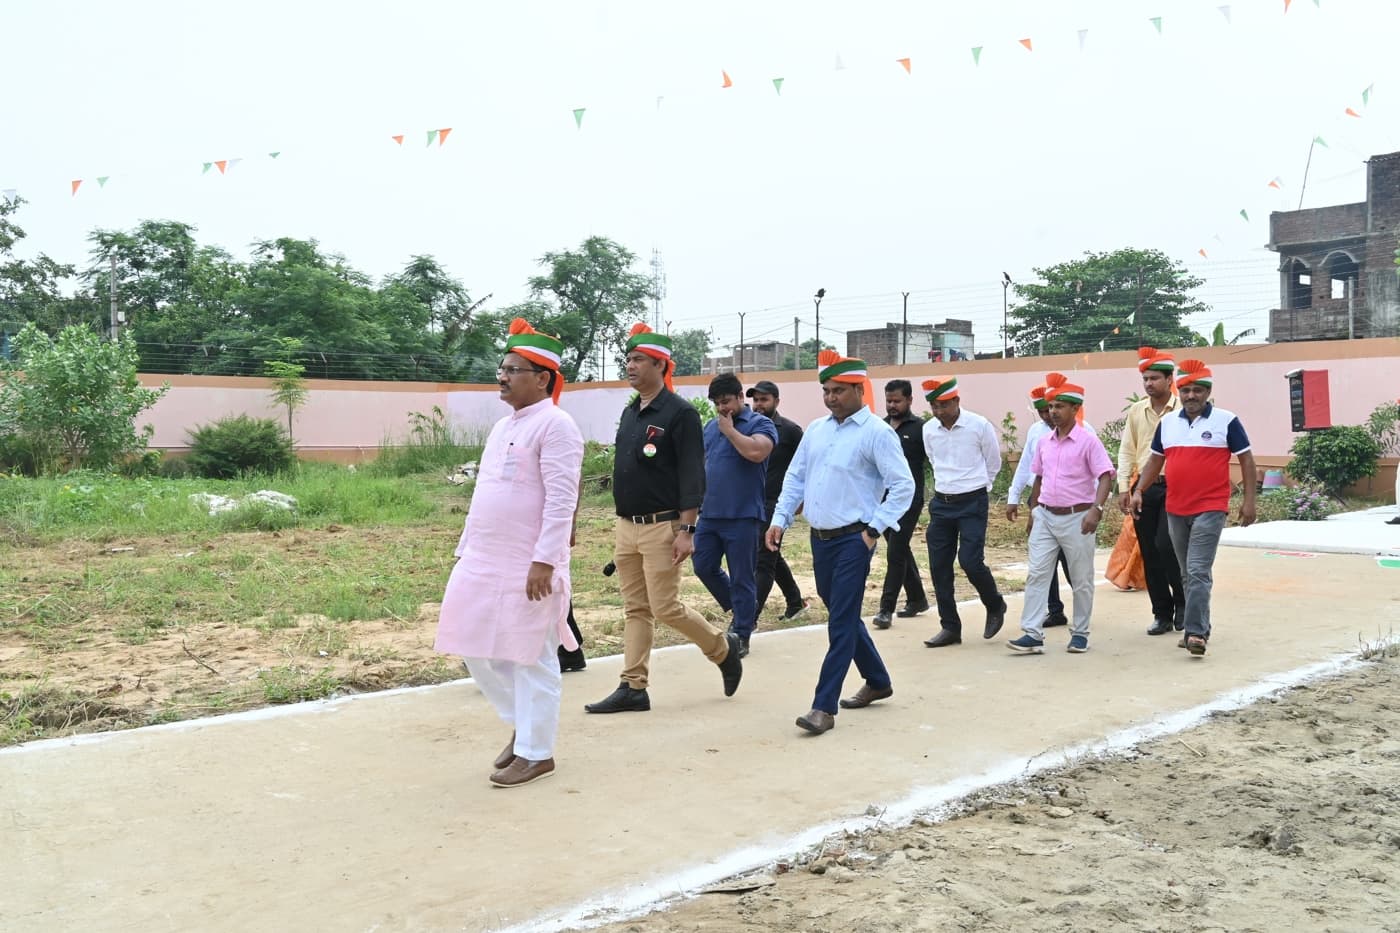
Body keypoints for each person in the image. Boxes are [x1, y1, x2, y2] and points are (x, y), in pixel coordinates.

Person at [436, 318, 584, 788]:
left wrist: (546, 559)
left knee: (530, 655)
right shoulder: (503, 426)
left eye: (513, 368)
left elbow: (563, 498)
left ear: (542, 378)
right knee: (472, 643)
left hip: (528, 562)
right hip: (482, 557)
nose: (501, 375)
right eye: (501, 367)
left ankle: (537, 752)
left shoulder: (557, 425)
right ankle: (524, 723)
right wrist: (466, 546)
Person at [584, 323, 743, 713]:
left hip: (663, 525)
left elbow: (692, 475)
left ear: (660, 364)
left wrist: (686, 530)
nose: (630, 365)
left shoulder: (680, 413)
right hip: (627, 526)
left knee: (665, 607)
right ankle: (633, 686)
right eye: (628, 359)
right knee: (636, 609)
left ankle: (721, 648)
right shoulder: (631, 412)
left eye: (638, 359)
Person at [766, 351, 913, 735]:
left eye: (838, 391)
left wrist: (873, 530)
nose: (830, 398)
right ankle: (878, 680)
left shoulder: (876, 433)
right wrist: (779, 519)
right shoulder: (817, 429)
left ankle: (823, 707)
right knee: (843, 613)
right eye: (826, 391)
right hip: (820, 539)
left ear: (858, 389)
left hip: (854, 539)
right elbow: (795, 478)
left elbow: (903, 486)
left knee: (840, 621)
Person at [1130, 359, 1257, 658]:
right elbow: (1155, 461)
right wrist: (1138, 490)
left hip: (1211, 507)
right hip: (1176, 507)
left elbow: (1247, 460)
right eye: (1185, 391)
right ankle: (1200, 624)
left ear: (1207, 392)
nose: (1191, 396)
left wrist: (1249, 501)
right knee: (1188, 572)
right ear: (1180, 390)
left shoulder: (1227, 421)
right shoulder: (1168, 424)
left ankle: (1195, 632)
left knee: (1198, 570)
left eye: (1197, 391)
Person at [1006, 373, 1116, 654]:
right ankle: (1031, 632)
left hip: (1077, 518)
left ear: (1075, 409)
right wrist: (1034, 510)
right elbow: (1038, 477)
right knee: (1038, 573)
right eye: (1050, 406)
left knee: (1080, 579)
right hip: (1045, 515)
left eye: (1059, 406)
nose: (1053, 412)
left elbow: (1105, 476)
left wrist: (1097, 509)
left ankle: (1080, 633)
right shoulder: (1044, 441)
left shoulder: (1088, 440)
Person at [691, 373, 777, 658]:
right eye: (717, 403)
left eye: (726, 401)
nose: (721, 408)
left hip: (743, 515)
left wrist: (729, 430)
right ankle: (745, 611)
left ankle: (741, 633)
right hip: (710, 514)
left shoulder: (760, 423)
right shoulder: (710, 428)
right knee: (703, 565)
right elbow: (700, 464)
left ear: (741, 397)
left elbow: (756, 452)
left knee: (742, 576)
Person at [920, 376, 1009, 648]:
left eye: (944, 405)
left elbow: (993, 462)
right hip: (941, 503)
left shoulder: (978, 425)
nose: (939, 411)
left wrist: (980, 487)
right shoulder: (929, 430)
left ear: (957, 401)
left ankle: (995, 604)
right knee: (939, 567)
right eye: (934, 406)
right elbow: (934, 461)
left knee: (970, 561)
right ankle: (950, 627)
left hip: (972, 502)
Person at [1117, 347, 1186, 635]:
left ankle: (1183, 606)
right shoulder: (1137, 410)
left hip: (1176, 486)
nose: (1148, 384)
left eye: (1155, 378)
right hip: (1143, 489)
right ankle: (1162, 614)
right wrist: (1124, 487)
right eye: (1145, 379)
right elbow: (1127, 450)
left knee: (1167, 546)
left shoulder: (1184, 410)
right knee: (1149, 551)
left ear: (1170, 379)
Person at [1006, 384, 1071, 629]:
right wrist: (1014, 497)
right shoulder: (1036, 431)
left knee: (1071, 560)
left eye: (1052, 408)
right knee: (1045, 559)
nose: (1048, 415)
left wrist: (1095, 506)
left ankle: (1083, 608)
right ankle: (1054, 610)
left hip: (1071, 505)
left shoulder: (1082, 431)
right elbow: (1026, 466)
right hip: (1040, 500)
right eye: (1043, 410)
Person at [747, 380, 810, 620]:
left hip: (777, 503)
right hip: (751, 502)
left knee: (763, 561)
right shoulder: (747, 427)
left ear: (776, 401)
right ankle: (795, 602)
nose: (759, 405)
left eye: (764, 400)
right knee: (770, 554)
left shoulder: (791, 431)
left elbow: (805, 465)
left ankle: (747, 621)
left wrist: (801, 498)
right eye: (756, 400)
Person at [872, 379, 930, 629]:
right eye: (888, 401)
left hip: (909, 501)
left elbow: (934, 461)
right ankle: (917, 599)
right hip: (882, 500)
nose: (892, 405)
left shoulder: (921, 429)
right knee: (901, 549)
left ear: (909, 400)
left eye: (897, 401)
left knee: (895, 551)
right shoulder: (880, 427)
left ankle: (886, 609)